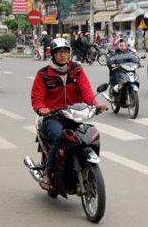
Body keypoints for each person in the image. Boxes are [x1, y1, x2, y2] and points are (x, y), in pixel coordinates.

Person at [31, 38, 107, 190]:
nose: (63, 55)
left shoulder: (76, 69)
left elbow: (86, 91)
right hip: (52, 117)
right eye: (59, 52)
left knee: (88, 135)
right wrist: (42, 109)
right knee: (60, 136)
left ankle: (82, 166)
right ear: (52, 54)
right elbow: (37, 98)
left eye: (65, 52)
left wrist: (96, 106)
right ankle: (47, 172)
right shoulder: (43, 74)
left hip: (74, 113)